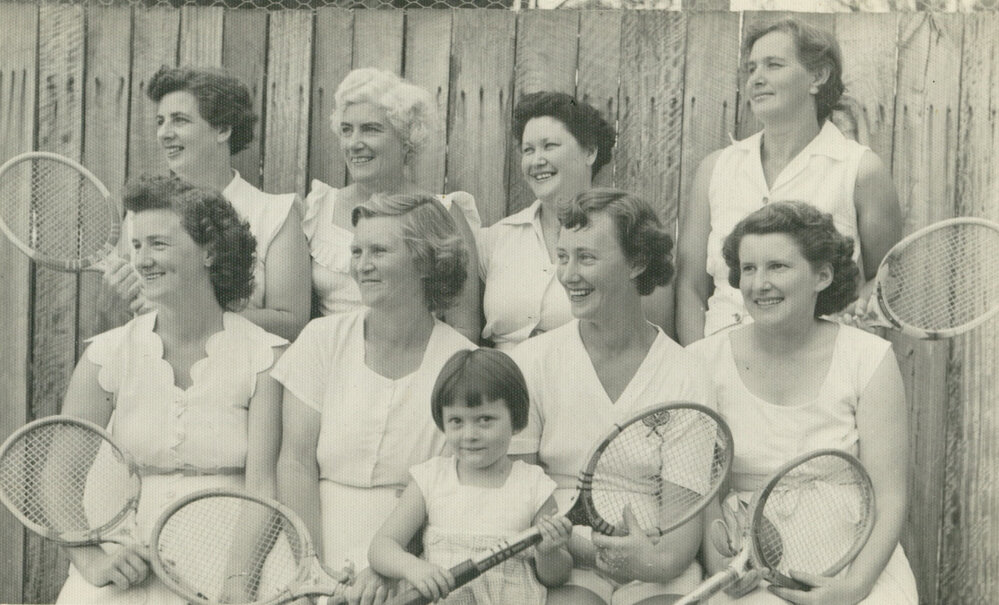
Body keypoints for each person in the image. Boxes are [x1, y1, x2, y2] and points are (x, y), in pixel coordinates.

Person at [56, 175, 287, 604]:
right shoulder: (107, 354)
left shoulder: (266, 357)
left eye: (158, 244)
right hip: (126, 568)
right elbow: (57, 479)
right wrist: (93, 562)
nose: (142, 260)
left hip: (231, 568)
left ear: (210, 251)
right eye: (137, 245)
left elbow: (262, 486)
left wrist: (238, 583)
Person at [686, 201, 917, 604]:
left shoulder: (870, 358)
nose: (759, 284)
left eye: (778, 267)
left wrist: (853, 589)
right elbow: (702, 495)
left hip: (856, 555)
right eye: (749, 270)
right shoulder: (704, 361)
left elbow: (891, 495)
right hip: (752, 556)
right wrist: (722, 564)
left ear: (822, 275)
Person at [510, 189, 714, 605]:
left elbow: (678, 537)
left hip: (657, 569)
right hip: (562, 562)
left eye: (586, 257)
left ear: (637, 262)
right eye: (563, 257)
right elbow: (520, 492)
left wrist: (647, 563)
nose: (568, 275)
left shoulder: (687, 374)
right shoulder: (532, 361)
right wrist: (573, 549)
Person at [274, 192, 477, 604]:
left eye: (379, 251)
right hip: (309, 547)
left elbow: (455, 489)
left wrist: (391, 566)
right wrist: (313, 572)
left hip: (414, 559)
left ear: (425, 261)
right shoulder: (321, 340)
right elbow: (295, 462)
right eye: (356, 251)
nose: (362, 265)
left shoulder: (462, 362)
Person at [675, 17, 903, 344]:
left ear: (818, 77)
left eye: (773, 65)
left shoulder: (860, 170)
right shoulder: (715, 169)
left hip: (818, 370)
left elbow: (886, 276)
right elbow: (690, 286)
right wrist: (698, 364)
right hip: (719, 368)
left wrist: (852, 322)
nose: (756, 79)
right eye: (751, 68)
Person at [104, 65, 311, 341]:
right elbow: (120, 323)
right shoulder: (140, 215)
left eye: (179, 120)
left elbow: (291, 323)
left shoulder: (275, 214)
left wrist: (186, 314)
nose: (164, 133)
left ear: (223, 129)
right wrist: (112, 305)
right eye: (160, 121)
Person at [368, 348, 572, 604]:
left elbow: (556, 577)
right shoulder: (430, 479)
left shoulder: (534, 485)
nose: (469, 434)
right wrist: (414, 568)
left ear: (517, 421)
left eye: (485, 419)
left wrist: (548, 552)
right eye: (456, 421)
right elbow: (381, 546)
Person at [478, 92, 674, 350]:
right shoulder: (496, 239)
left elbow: (653, 341)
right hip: (502, 385)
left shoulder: (626, 234)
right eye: (528, 150)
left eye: (549, 146)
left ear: (590, 152)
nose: (537, 160)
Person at [303, 67, 481, 342]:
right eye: (347, 130)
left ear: (407, 140)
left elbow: (464, 329)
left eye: (371, 129)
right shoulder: (319, 207)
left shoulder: (443, 212)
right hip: (333, 364)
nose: (354, 143)